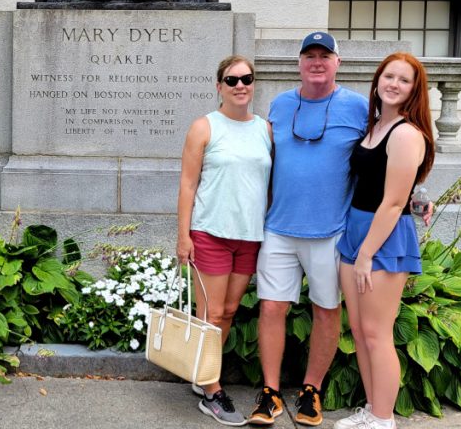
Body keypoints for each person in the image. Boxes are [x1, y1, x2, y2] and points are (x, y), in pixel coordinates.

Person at [250, 32, 368, 427]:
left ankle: (311, 390)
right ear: (299, 63)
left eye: (325, 55)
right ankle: (269, 392)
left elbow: (383, 155)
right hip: (279, 228)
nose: (317, 62)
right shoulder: (280, 105)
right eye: (309, 55)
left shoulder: (357, 107)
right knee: (271, 307)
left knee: (326, 310)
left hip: (331, 231)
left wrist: (415, 194)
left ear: (338, 63)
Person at [333, 53, 435, 429]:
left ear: (414, 90)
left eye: (403, 80)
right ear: (377, 81)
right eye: (388, 76)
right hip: (356, 230)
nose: (393, 83)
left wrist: (366, 255)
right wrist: (422, 195)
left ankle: (383, 419)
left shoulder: (406, 132)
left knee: (378, 333)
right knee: (359, 331)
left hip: (383, 238)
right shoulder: (374, 125)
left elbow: (392, 203)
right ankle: (373, 409)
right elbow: (389, 183)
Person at [177, 55, 272, 426]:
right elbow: (187, 184)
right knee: (211, 314)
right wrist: (182, 236)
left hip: (250, 235)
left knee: (229, 312)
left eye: (246, 79)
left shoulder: (265, 130)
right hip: (210, 232)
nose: (240, 86)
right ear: (219, 87)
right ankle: (212, 391)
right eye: (231, 80)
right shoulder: (204, 127)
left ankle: (204, 374)